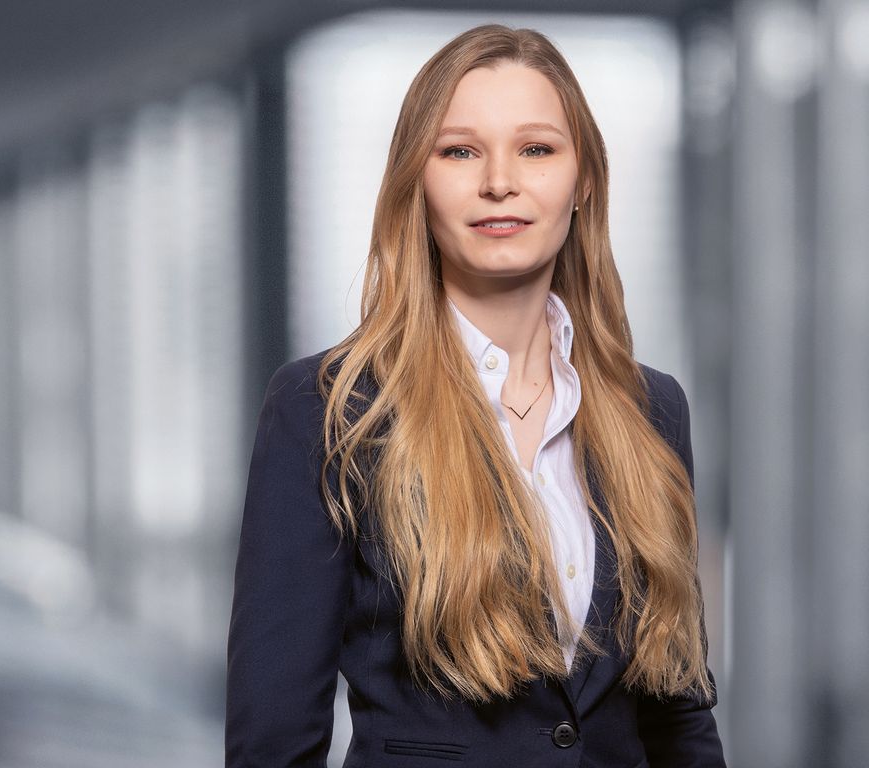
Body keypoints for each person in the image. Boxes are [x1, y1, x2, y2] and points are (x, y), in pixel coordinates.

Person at [226, 23, 726, 768]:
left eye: (536, 148)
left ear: (583, 180)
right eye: (460, 150)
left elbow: (677, 716)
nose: (501, 180)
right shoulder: (329, 408)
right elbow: (274, 741)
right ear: (415, 182)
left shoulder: (650, 410)